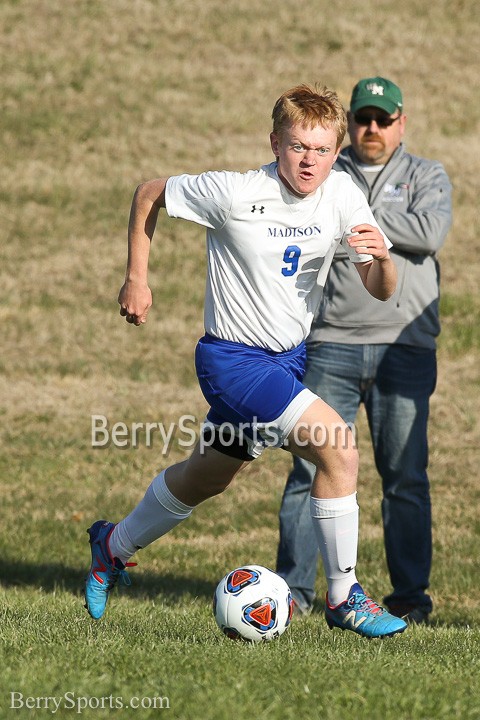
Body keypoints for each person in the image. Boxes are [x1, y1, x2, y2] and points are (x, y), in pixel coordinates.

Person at [84, 83, 408, 638]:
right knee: (339, 446)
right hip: (231, 362)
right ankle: (343, 597)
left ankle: (111, 546)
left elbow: (380, 288)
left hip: (287, 362)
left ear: (337, 150)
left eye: (324, 149)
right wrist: (136, 277)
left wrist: (381, 259)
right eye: (298, 146)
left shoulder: (343, 194)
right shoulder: (234, 192)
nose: (311, 161)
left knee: (207, 476)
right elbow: (148, 193)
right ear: (275, 142)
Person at [276, 77, 452, 623]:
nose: (371, 129)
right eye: (362, 118)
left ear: (402, 123)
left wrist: (355, 220)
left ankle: (409, 599)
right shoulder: (327, 170)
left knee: (404, 474)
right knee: (310, 469)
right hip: (330, 343)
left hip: (406, 348)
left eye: (383, 119)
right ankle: (294, 594)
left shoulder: (427, 175)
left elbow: (428, 232)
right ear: (348, 122)